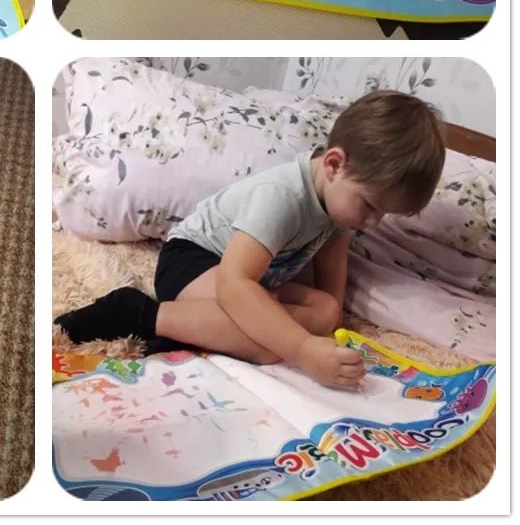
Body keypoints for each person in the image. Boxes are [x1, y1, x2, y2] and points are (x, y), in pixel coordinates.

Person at [55, 90, 445, 389]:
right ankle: (139, 312)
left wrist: (320, 328)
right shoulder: (283, 196)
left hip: (250, 279)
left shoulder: (339, 207)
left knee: (323, 311)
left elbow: (331, 285)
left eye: (384, 214)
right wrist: (302, 348)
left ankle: (213, 329)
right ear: (334, 165)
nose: (373, 223)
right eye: (371, 207)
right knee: (268, 343)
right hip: (193, 262)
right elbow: (234, 283)